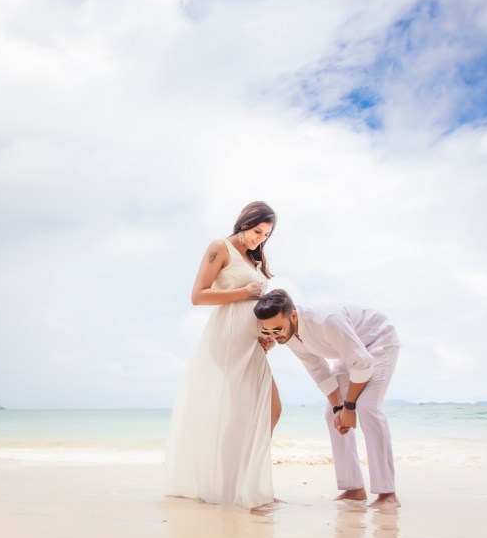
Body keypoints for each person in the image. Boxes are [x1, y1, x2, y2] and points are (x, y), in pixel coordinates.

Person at [164, 202, 281, 509]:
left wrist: (265, 335)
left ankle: (245, 481)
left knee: (270, 409)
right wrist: (244, 292)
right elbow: (198, 295)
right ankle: (232, 487)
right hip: (228, 340)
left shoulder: (252, 258)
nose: (260, 239)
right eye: (257, 231)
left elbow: (256, 306)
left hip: (251, 342)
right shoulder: (220, 248)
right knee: (245, 412)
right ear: (244, 223)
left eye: (266, 235)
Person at [254, 289, 401, 508]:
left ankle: (387, 493)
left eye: (278, 329)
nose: (275, 336)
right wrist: (338, 408)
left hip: (378, 341)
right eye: (269, 332)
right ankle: (354, 489)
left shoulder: (326, 321)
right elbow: (318, 369)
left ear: (293, 316)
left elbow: (362, 364)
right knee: (332, 415)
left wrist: (349, 407)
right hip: (348, 351)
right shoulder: (288, 336)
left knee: (368, 407)